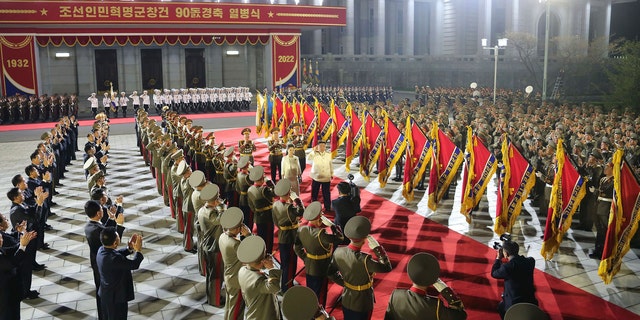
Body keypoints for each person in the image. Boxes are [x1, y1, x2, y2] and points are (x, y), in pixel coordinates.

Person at [329, 216, 392, 320]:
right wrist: (378, 249)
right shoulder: (365, 259)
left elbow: (330, 272)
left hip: (346, 297)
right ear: (364, 239)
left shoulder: (338, 251)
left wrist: (345, 284)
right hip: (362, 302)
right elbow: (386, 267)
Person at [385, 252, 466, 320]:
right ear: (432, 281)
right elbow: (461, 315)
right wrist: (444, 288)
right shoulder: (435, 305)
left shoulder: (395, 295)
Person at [294, 201, 344, 307]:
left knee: (311, 291)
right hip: (322, 266)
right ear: (319, 218)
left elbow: (297, 247)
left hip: (309, 264)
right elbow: (340, 238)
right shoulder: (321, 234)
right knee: (320, 296)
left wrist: (305, 258)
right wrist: (333, 226)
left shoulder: (301, 229)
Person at [83, 200, 125, 320]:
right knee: (106, 293)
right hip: (104, 263)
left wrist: (111, 220)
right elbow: (113, 241)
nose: (103, 211)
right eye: (101, 209)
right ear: (98, 213)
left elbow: (104, 230)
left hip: (97, 260)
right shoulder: (98, 230)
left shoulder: (90, 226)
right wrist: (120, 226)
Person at [7, 186, 47, 300]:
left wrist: (38, 199)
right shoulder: (16, 211)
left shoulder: (21, 205)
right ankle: (25, 292)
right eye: (20, 194)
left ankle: (27, 289)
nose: (23, 194)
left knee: (29, 265)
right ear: (15, 198)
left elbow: (31, 210)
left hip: (30, 238)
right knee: (25, 270)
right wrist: (39, 204)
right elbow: (35, 219)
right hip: (26, 241)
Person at [96, 227, 144, 320]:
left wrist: (129, 248)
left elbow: (115, 253)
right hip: (116, 298)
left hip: (106, 294)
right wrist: (138, 250)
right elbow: (134, 264)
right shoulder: (115, 259)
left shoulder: (101, 250)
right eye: (118, 237)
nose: (119, 239)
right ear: (114, 243)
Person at [0, 216, 37, 320]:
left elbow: (9, 250)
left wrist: (22, 242)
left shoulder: (1, 249)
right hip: (5, 297)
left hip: (11, 294)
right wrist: (22, 246)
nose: (1, 238)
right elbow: (12, 263)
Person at [237, 235, 281, 320]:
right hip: (264, 316)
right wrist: (272, 268)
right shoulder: (258, 280)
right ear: (262, 262)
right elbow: (275, 287)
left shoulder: (242, 270)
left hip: (253, 313)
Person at [272, 179, 304, 293]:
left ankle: (284, 284)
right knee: (290, 264)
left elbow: (275, 221)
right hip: (291, 236)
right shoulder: (290, 207)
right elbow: (301, 212)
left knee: (284, 263)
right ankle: (287, 287)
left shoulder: (275, 204)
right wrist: (297, 200)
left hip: (282, 235)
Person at [491, 240, 537, 319]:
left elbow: (494, 273)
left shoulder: (507, 268)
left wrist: (498, 258)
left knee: (501, 308)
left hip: (514, 305)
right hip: (530, 301)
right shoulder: (530, 261)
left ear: (506, 254)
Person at [219, 207, 251, 320]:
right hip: (236, 279)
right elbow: (251, 254)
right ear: (237, 228)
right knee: (236, 309)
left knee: (230, 306)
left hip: (228, 275)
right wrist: (248, 235)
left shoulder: (222, 236)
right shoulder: (235, 244)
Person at [197, 183, 225, 307]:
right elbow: (223, 219)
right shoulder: (211, 213)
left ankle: (212, 295)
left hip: (207, 244)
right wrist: (221, 206)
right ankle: (215, 300)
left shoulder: (203, 209)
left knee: (211, 273)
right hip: (214, 246)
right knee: (216, 275)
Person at [247, 166, 276, 254]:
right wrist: (270, 182)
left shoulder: (250, 189)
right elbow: (275, 192)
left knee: (261, 236)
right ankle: (268, 254)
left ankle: (261, 253)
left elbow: (250, 205)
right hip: (267, 216)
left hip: (258, 216)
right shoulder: (265, 190)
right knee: (268, 237)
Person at [591, 161, 614, 259]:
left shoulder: (614, 181)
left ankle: (603, 252)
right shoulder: (603, 179)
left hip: (606, 207)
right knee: (599, 230)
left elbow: (606, 191)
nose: (605, 168)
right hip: (598, 205)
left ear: (613, 169)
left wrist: (595, 191)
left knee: (604, 230)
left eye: (607, 167)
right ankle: (597, 250)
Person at [308, 140, 333, 211]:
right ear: (317, 147)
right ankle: (314, 206)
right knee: (314, 193)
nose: (322, 147)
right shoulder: (314, 154)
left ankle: (327, 206)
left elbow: (330, 165)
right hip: (316, 177)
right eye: (320, 146)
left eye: (323, 146)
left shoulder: (328, 155)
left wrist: (331, 173)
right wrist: (314, 151)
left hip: (326, 177)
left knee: (326, 193)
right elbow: (308, 158)